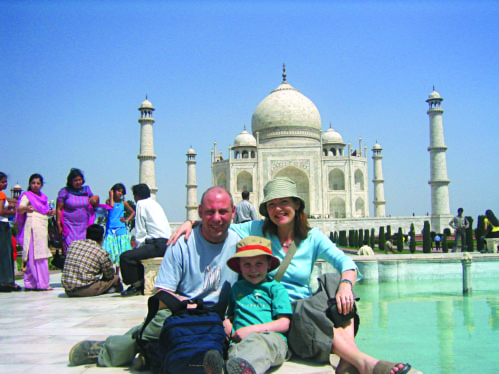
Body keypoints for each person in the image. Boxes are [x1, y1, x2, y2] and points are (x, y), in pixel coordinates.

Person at [171, 177, 419, 374]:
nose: (277, 209)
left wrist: (345, 284)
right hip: (279, 310)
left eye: (284, 202)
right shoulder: (257, 228)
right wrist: (192, 222)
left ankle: (350, 359)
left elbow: (347, 263)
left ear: (297, 204)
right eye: (271, 204)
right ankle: (365, 363)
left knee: (335, 283)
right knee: (305, 310)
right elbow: (220, 223)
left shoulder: (313, 237)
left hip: (305, 306)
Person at [68, 186, 241, 368]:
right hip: (182, 312)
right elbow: (162, 293)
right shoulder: (182, 243)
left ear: (233, 212)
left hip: (221, 319)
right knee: (149, 333)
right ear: (199, 212)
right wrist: (194, 308)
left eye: (223, 212)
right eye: (209, 212)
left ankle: (151, 356)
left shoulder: (239, 243)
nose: (216, 218)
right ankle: (106, 350)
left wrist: (229, 318)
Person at [204, 236, 292, 374]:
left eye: (259, 263)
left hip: (270, 340)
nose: (253, 270)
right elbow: (234, 314)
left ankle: (236, 369)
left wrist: (252, 330)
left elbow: (284, 323)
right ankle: (228, 368)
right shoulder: (237, 288)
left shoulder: (275, 288)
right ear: (239, 266)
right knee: (236, 353)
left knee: (256, 346)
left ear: (269, 265)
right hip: (240, 342)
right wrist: (227, 321)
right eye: (247, 264)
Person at [120, 184, 171, 297]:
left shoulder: (141, 204)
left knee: (126, 257)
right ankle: (140, 282)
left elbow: (140, 228)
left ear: (136, 196)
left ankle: (136, 285)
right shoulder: (155, 204)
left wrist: (140, 245)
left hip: (157, 244)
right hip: (166, 243)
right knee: (136, 255)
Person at [15, 173, 55, 291]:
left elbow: (45, 210)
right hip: (32, 226)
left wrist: (50, 213)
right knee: (34, 255)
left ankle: (37, 282)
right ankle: (37, 283)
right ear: (29, 184)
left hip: (42, 226)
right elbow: (19, 209)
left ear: (41, 185)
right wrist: (27, 209)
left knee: (42, 253)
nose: (35, 185)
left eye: (38, 183)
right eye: (33, 183)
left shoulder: (43, 198)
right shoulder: (27, 196)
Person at [62, 224, 122, 297]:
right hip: (85, 289)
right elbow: (109, 275)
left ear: (86, 234)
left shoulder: (73, 244)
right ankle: (112, 289)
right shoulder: (101, 252)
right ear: (101, 238)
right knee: (115, 278)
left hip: (68, 290)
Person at [56, 168, 100, 252]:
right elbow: (59, 208)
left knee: (83, 250)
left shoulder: (86, 190)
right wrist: (58, 224)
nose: (78, 182)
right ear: (70, 181)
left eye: (80, 180)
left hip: (84, 226)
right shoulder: (65, 191)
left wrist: (96, 198)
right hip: (69, 226)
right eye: (75, 180)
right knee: (71, 249)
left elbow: (94, 205)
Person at [102, 183, 135, 275]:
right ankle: (111, 272)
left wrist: (126, 220)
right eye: (118, 191)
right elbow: (111, 206)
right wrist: (111, 196)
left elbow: (133, 212)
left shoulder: (123, 203)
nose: (120, 193)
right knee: (110, 251)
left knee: (120, 251)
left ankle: (117, 273)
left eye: (122, 192)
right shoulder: (108, 202)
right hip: (110, 229)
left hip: (121, 229)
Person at [0, 172, 21, 292]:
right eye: (3, 182)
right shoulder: (1, 195)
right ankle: (7, 281)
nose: (5, 184)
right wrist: (12, 212)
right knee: (5, 254)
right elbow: (1, 212)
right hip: (2, 225)